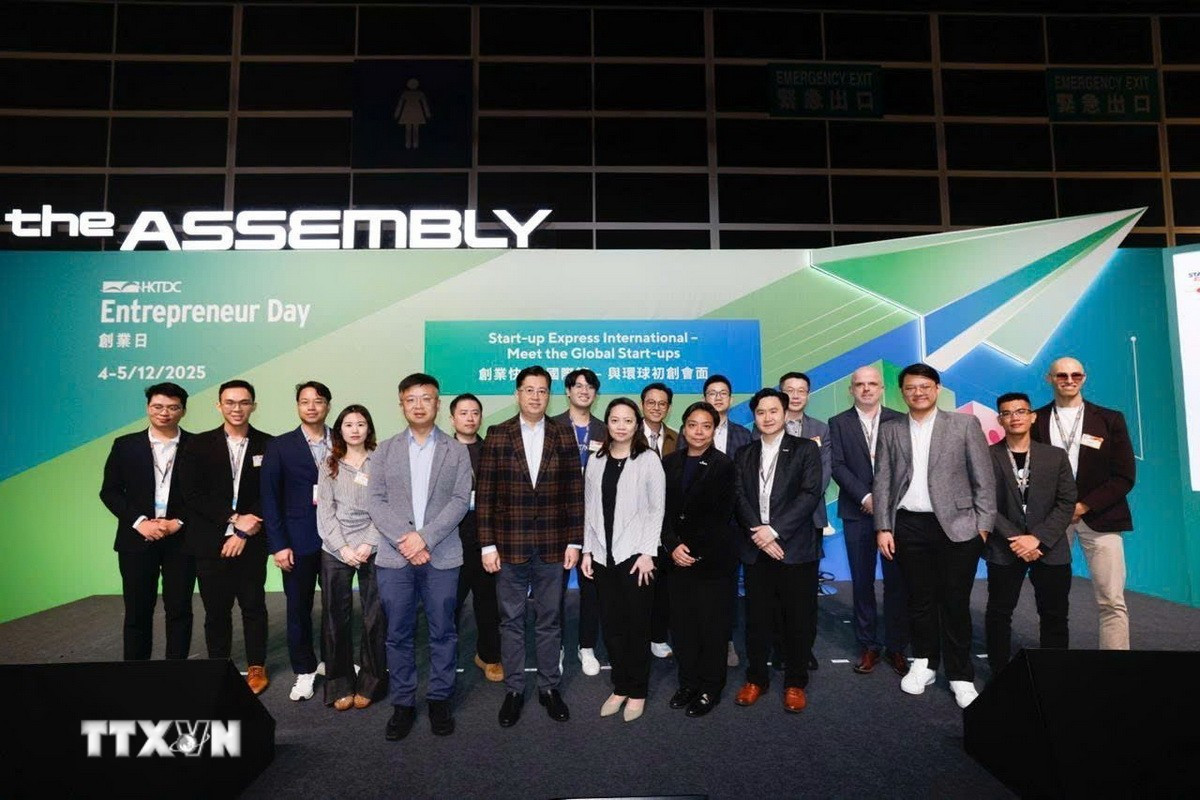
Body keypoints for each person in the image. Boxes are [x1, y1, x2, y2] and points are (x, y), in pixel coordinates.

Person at [874, 363, 995, 709]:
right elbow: (882, 480)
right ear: (902, 392)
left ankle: (960, 675)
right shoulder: (891, 429)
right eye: (911, 388)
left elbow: (984, 479)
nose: (918, 393)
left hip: (958, 526)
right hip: (908, 525)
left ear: (937, 389)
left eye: (925, 386)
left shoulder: (964, 424)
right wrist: (883, 527)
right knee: (919, 600)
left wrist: (983, 527)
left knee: (955, 602)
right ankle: (924, 663)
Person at [478, 365, 584, 728]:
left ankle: (549, 687)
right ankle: (514, 689)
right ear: (517, 394)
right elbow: (486, 495)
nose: (536, 396)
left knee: (549, 619)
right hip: (508, 546)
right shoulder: (498, 434)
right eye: (529, 390)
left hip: (553, 545)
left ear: (549, 396)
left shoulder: (564, 434)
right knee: (510, 620)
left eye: (542, 391)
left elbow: (574, 492)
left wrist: (575, 541)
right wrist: (487, 545)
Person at [368, 373, 472, 741]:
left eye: (426, 398)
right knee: (398, 633)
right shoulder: (384, 450)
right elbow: (375, 501)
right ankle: (403, 703)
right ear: (401, 405)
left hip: (442, 554)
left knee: (444, 631)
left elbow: (460, 500)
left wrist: (424, 538)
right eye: (411, 399)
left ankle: (440, 698)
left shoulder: (456, 451)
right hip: (395, 557)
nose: (418, 405)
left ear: (437, 404)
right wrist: (406, 541)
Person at [1032, 357, 1136, 650]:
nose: (1069, 380)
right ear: (1049, 379)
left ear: (1084, 378)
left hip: (1101, 517)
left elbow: (1124, 476)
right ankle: (1055, 662)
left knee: (1112, 600)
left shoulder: (1110, 419)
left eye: (1075, 375)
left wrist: (1083, 506)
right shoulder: (1035, 420)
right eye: (1061, 375)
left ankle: (1116, 666)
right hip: (1052, 520)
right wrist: (1060, 509)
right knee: (1051, 598)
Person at [177, 379, 272, 694]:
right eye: (230, 402)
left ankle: (256, 667)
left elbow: (271, 492)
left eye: (244, 402)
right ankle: (219, 665)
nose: (237, 408)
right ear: (219, 405)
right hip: (209, 541)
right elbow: (192, 493)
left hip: (252, 540)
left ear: (254, 406)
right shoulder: (197, 445)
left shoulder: (269, 445)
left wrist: (244, 530)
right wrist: (233, 519)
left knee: (253, 606)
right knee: (216, 610)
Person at [732, 388, 823, 713]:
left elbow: (810, 494)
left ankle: (795, 682)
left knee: (798, 618)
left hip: (794, 549)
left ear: (785, 414)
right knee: (757, 618)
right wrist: (760, 534)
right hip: (757, 549)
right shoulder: (744, 453)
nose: (767, 417)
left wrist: (774, 531)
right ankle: (756, 678)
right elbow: (738, 495)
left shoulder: (805, 449)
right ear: (754, 417)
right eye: (761, 412)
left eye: (773, 411)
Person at [581, 398, 665, 722]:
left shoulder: (648, 459)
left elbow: (657, 509)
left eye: (628, 420)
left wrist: (648, 553)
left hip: (636, 559)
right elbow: (589, 509)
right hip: (603, 558)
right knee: (612, 627)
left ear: (637, 425)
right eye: (615, 420)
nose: (620, 426)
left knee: (636, 627)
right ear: (607, 423)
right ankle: (620, 686)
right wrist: (587, 550)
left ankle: (638, 691)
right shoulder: (596, 460)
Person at [100, 382, 195, 661]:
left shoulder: (197, 446)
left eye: (172, 407)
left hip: (181, 539)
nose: (164, 413)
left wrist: (178, 521)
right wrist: (140, 521)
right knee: (137, 611)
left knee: (179, 609)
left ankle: (176, 671)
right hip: (136, 539)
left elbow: (205, 494)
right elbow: (110, 491)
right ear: (147, 408)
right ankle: (135, 673)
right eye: (158, 406)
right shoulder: (125, 445)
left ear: (183, 411)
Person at [986, 393, 1076, 676]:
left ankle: (1054, 674)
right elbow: (984, 503)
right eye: (1007, 413)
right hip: (1005, 547)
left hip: (1050, 547)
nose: (1015, 417)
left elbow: (1066, 502)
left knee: (1054, 614)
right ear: (1000, 420)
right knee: (999, 613)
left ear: (1033, 416)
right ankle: (999, 672)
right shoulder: (987, 456)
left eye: (1021, 411)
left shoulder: (1055, 456)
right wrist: (1016, 538)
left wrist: (1038, 538)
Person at [828, 365, 909, 676]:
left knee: (896, 583)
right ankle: (868, 645)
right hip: (857, 512)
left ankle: (896, 646)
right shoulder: (838, 423)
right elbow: (837, 465)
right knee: (862, 582)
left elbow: (907, 465)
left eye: (872, 383)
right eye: (859, 384)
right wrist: (865, 497)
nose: (866, 389)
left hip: (897, 514)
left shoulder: (899, 420)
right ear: (851, 389)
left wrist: (885, 500)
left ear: (882, 388)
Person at [661, 401, 737, 717]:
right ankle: (688, 682)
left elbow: (722, 517)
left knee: (712, 627)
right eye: (693, 425)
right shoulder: (669, 462)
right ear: (684, 427)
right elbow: (660, 510)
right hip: (675, 560)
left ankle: (710, 687)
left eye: (706, 426)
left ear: (714, 429)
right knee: (683, 627)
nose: (699, 431)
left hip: (711, 562)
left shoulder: (724, 465)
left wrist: (691, 550)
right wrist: (672, 545)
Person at [262, 380, 331, 702]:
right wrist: (278, 544)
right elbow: (269, 498)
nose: (312, 407)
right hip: (297, 541)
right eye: (305, 401)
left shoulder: (344, 439)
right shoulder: (280, 446)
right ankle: (304, 669)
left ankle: (334, 662)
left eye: (318, 401)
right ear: (298, 406)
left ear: (328, 405)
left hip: (337, 541)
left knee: (336, 607)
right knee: (298, 608)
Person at [317, 404, 387, 711]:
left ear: (369, 428)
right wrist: (343, 548)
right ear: (339, 430)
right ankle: (339, 684)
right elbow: (325, 511)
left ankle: (371, 682)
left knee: (375, 616)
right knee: (335, 617)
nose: (355, 429)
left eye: (361, 424)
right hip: (336, 549)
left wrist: (368, 543)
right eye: (348, 424)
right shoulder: (329, 463)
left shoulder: (381, 460)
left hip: (375, 546)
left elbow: (386, 506)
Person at [552, 368, 605, 677]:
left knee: (592, 588)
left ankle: (586, 646)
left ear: (595, 393)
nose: (584, 391)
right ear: (568, 391)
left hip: (595, 520)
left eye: (590, 386)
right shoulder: (551, 426)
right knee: (554, 589)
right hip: (559, 520)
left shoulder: (605, 428)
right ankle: (557, 646)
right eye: (578, 386)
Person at [450, 392, 503, 682]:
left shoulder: (491, 449)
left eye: (475, 413)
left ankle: (489, 656)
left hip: (485, 542)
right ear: (452, 418)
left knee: (488, 604)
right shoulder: (442, 451)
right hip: (449, 542)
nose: (470, 418)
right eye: (463, 413)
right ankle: (446, 659)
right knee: (449, 606)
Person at [703, 373, 752, 668]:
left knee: (730, 585)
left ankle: (727, 639)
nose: (717, 397)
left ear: (731, 400)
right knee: (701, 584)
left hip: (734, 524)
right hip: (699, 524)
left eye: (723, 393)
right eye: (712, 393)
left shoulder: (744, 435)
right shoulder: (690, 431)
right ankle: (702, 637)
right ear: (704, 398)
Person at [641, 381, 677, 660]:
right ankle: (637, 637)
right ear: (642, 405)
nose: (656, 407)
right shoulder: (627, 435)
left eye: (662, 403)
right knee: (637, 584)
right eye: (651, 402)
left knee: (663, 584)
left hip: (667, 522)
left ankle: (657, 636)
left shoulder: (678, 438)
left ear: (668, 407)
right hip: (636, 523)